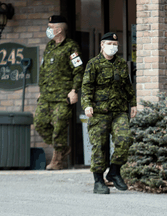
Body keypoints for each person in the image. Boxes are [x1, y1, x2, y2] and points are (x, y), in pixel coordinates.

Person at [81, 32, 137, 194]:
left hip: (119, 110)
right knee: (99, 145)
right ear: (102, 45)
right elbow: (86, 87)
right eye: (109, 44)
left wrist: (132, 103)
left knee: (125, 139)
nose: (113, 47)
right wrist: (87, 105)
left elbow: (127, 85)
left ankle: (114, 171)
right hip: (99, 112)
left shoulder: (120, 64)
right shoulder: (93, 64)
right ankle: (98, 181)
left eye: (115, 44)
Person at [34, 15, 84, 170]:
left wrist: (74, 90)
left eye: (51, 27)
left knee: (59, 127)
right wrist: (41, 90)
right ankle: (62, 149)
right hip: (46, 95)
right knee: (40, 124)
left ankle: (57, 160)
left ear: (59, 29)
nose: (48, 30)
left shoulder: (71, 47)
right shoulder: (49, 46)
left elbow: (78, 70)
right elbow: (43, 70)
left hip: (63, 96)